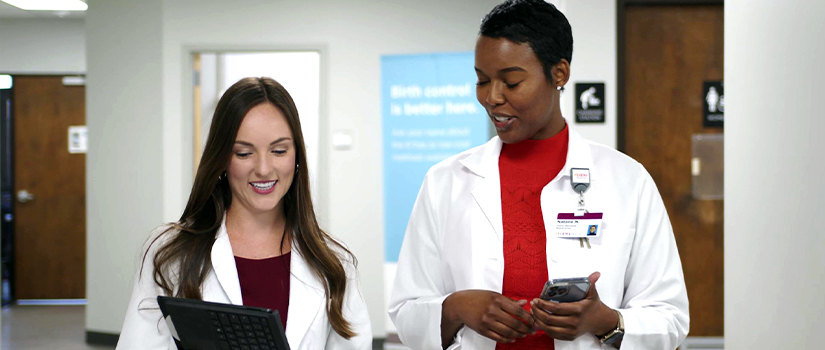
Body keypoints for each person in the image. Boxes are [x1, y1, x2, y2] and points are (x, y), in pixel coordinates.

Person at [388, 1, 689, 349]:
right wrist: (456, 307)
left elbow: (670, 318)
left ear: (559, 73)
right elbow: (406, 313)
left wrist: (604, 320)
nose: (492, 97)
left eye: (511, 82)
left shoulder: (627, 181)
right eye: (482, 80)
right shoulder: (446, 181)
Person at [117, 77, 372, 349]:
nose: (263, 169)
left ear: (297, 155)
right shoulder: (170, 253)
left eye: (279, 150)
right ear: (222, 159)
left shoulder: (334, 263)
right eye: (243, 153)